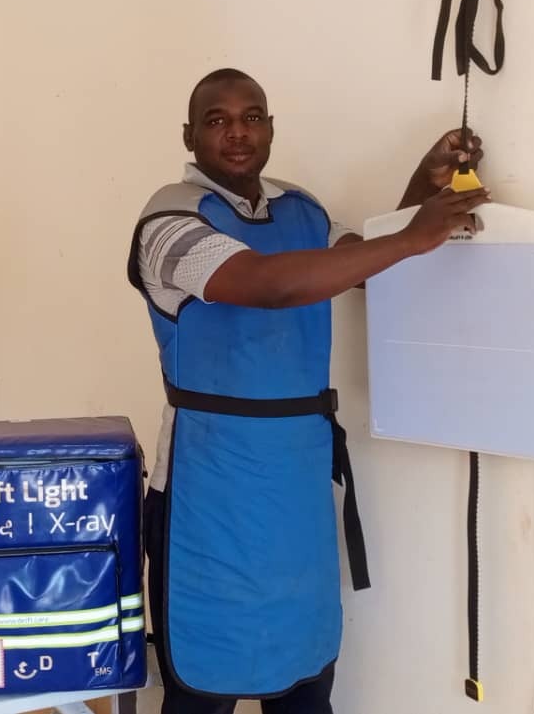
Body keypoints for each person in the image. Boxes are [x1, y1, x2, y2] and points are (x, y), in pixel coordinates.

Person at [127, 68, 488, 714]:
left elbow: (363, 266)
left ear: (270, 127)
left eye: (252, 116)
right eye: (217, 119)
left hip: (296, 479)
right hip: (209, 487)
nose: (237, 132)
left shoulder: (302, 208)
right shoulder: (168, 220)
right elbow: (268, 284)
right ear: (189, 134)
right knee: (204, 678)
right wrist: (414, 234)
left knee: (304, 675)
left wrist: (423, 187)